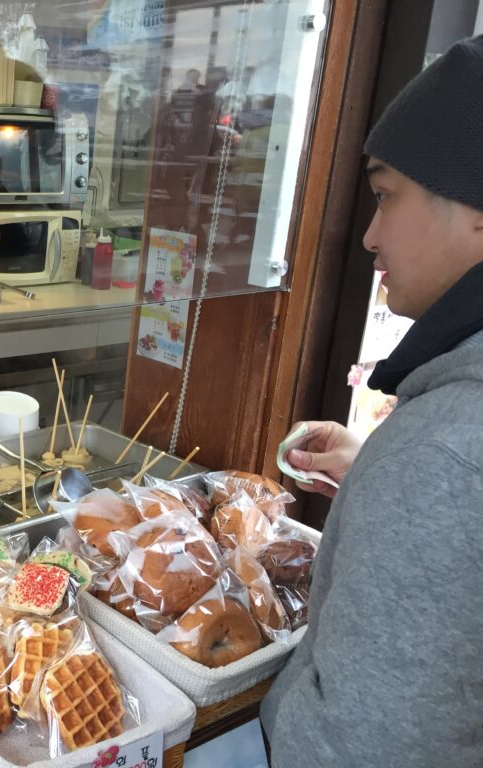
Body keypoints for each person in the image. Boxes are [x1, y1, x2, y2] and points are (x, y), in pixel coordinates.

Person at [260, 36, 483, 766]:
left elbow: (357, 746)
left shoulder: (441, 457)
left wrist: (407, 472)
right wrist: (374, 473)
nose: (368, 235)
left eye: (386, 196)